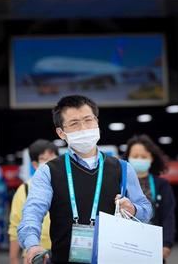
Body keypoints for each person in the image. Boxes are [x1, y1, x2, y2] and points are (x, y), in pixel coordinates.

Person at [18, 95, 153, 264]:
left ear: (96, 122)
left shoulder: (123, 168)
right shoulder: (48, 172)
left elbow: (146, 210)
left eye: (88, 120)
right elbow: (32, 212)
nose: (84, 128)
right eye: (74, 123)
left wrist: (133, 209)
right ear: (61, 133)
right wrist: (32, 245)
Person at [125, 134, 176, 261]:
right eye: (135, 156)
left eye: (143, 156)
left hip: (153, 243)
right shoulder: (120, 181)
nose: (139, 159)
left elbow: (168, 215)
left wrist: (167, 243)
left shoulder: (162, 185)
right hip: (125, 243)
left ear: (151, 158)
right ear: (128, 158)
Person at [9, 140, 59, 264]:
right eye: (43, 159)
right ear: (35, 164)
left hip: (64, 251)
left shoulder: (68, 186)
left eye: (53, 157)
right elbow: (15, 225)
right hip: (36, 254)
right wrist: (13, 258)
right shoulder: (25, 189)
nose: (49, 162)